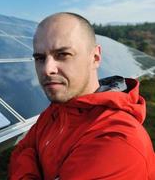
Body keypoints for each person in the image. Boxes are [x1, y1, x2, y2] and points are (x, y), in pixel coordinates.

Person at [8, 12, 155, 180]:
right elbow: (24, 147)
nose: (47, 69)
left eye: (63, 54)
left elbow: (23, 152)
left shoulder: (117, 143)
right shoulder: (58, 109)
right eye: (40, 58)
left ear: (95, 57)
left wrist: (28, 158)